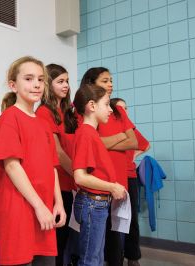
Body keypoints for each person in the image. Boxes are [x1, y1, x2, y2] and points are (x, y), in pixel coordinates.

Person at [0, 56, 66, 265]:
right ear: (13, 85)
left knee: (46, 260)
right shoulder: (10, 118)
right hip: (19, 207)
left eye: (40, 79)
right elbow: (12, 165)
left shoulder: (43, 123)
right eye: (28, 78)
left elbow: (52, 167)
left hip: (43, 206)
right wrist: (38, 206)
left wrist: (58, 203)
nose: (36, 84)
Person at [80, 67, 138, 266]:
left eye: (111, 80)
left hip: (111, 187)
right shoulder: (86, 125)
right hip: (95, 192)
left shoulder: (114, 112)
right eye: (105, 81)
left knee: (110, 244)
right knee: (92, 253)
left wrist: (105, 141)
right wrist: (120, 136)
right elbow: (81, 173)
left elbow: (134, 141)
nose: (110, 84)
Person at [64, 84, 126, 266]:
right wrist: (112, 187)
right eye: (107, 105)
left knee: (97, 258)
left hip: (98, 203)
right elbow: (80, 177)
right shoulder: (86, 134)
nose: (109, 110)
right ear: (92, 106)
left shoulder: (91, 134)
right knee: (90, 260)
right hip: (93, 204)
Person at [36, 64, 75, 266]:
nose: (66, 85)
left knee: (66, 240)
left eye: (67, 81)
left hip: (70, 183)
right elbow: (57, 152)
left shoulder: (68, 112)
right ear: (49, 85)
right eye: (60, 81)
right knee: (57, 241)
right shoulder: (44, 112)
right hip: (57, 184)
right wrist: (80, 176)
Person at [111, 98, 150, 266]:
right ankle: (114, 257)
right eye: (120, 108)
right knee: (114, 221)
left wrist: (133, 156)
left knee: (131, 219)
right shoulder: (109, 126)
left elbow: (145, 144)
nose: (124, 111)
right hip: (113, 177)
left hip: (129, 176)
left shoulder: (129, 129)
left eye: (126, 108)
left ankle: (133, 257)